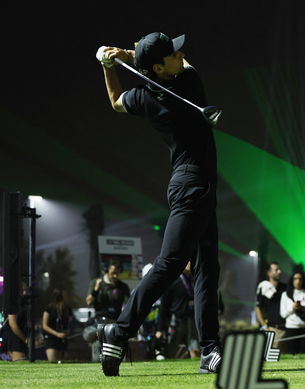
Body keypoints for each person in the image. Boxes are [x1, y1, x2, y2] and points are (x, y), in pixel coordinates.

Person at [95, 31, 222, 375]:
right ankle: (118, 333)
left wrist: (110, 65)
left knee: (207, 270)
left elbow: (117, 101)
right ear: (158, 66)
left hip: (198, 185)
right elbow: (189, 62)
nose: (181, 56)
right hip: (191, 185)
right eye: (173, 55)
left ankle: (210, 350)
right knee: (170, 264)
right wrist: (125, 53)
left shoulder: (144, 96)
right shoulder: (189, 83)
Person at [155, 262, 199, 358]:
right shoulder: (172, 281)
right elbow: (164, 306)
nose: (190, 263)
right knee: (172, 350)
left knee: (195, 350)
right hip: (176, 321)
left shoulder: (193, 281)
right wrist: (160, 329)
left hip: (191, 320)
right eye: (187, 261)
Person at [279, 269, 305, 354]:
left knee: (304, 353)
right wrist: (292, 307)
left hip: (304, 328)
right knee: (292, 353)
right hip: (291, 328)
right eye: (295, 279)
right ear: (291, 280)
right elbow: (283, 314)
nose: (298, 281)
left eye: (300, 279)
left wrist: (304, 309)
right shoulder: (286, 295)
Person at [255, 262, 287, 348]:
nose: (279, 272)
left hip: (286, 329)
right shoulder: (263, 287)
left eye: (279, 269)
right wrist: (264, 326)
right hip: (271, 328)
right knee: (271, 357)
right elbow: (258, 308)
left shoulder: (285, 288)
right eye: (276, 270)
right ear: (269, 273)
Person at [42, 289, 72, 362]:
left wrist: (67, 331)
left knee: (61, 361)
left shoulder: (67, 309)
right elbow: (44, 325)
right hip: (51, 338)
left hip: (62, 338)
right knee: (53, 360)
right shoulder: (49, 308)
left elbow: (70, 322)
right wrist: (57, 334)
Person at [5, 282, 29, 361]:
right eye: (22, 290)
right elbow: (13, 324)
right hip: (16, 340)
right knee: (19, 363)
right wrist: (25, 339)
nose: (25, 293)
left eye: (26, 290)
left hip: (20, 339)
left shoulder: (23, 304)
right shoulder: (13, 303)